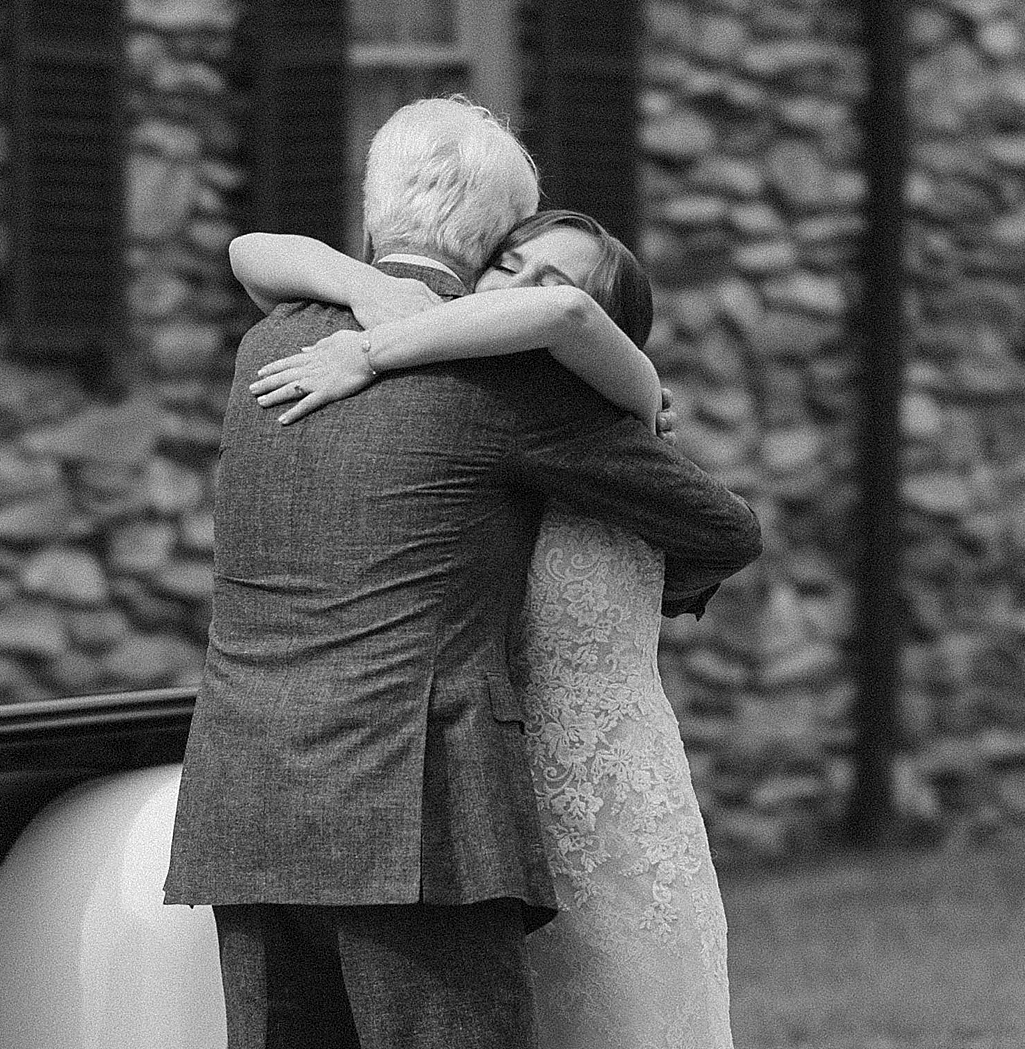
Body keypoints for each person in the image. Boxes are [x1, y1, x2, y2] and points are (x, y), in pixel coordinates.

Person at [165, 96, 760, 1049]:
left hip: (247, 787)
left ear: (371, 211)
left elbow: (254, 253)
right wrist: (640, 553)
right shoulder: (518, 380)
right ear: (490, 241)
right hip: (418, 807)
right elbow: (722, 528)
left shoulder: (266, 346)